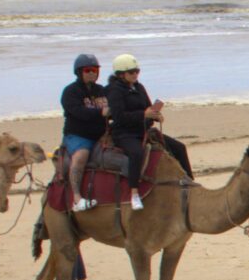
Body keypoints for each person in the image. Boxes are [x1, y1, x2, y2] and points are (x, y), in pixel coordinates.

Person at [104, 53, 189, 204]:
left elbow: (147, 108)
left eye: (137, 71)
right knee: (136, 153)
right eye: (131, 72)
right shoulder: (113, 90)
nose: (135, 74)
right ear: (121, 74)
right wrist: (143, 114)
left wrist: (155, 115)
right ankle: (134, 192)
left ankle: (188, 181)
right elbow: (119, 116)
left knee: (179, 147)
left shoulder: (138, 87)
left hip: (143, 130)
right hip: (125, 133)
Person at [59, 53, 109, 210]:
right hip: (79, 135)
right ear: (79, 72)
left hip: (102, 134)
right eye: (88, 70)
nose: (92, 73)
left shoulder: (102, 90)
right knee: (81, 156)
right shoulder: (70, 92)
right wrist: (100, 113)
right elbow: (78, 112)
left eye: (95, 70)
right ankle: (77, 198)